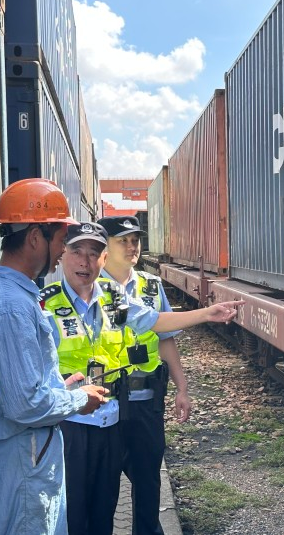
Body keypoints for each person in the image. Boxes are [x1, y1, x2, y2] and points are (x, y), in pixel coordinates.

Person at [0, 178, 109, 535]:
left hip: (23, 459)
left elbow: (17, 384)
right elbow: (24, 405)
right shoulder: (11, 307)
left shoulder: (7, 294)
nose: (62, 253)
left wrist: (56, 386)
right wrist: (77, 400)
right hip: (21, 466)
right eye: (60, 241)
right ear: (33, 238)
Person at [40, 222, 152, 535]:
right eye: (77, 251)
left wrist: (206, 313)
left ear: (103, 261)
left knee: (105, 511)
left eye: (94, 253)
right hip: (69, 427)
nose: (85, 262)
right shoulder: (42, 304)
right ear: (62, 255)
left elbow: (156, 321)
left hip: (110, 422)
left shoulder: (115, 301)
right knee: (72, 513)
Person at [98, 215, 189, 535]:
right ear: (104, 246)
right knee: (104, 490)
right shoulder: (91, 289)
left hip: (147, 402)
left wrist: (182, 388)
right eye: (122, 240)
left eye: (134, 239)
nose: (132, 245)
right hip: (105, 406)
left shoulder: (151, 287)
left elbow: (166, 338)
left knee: (149, 483)